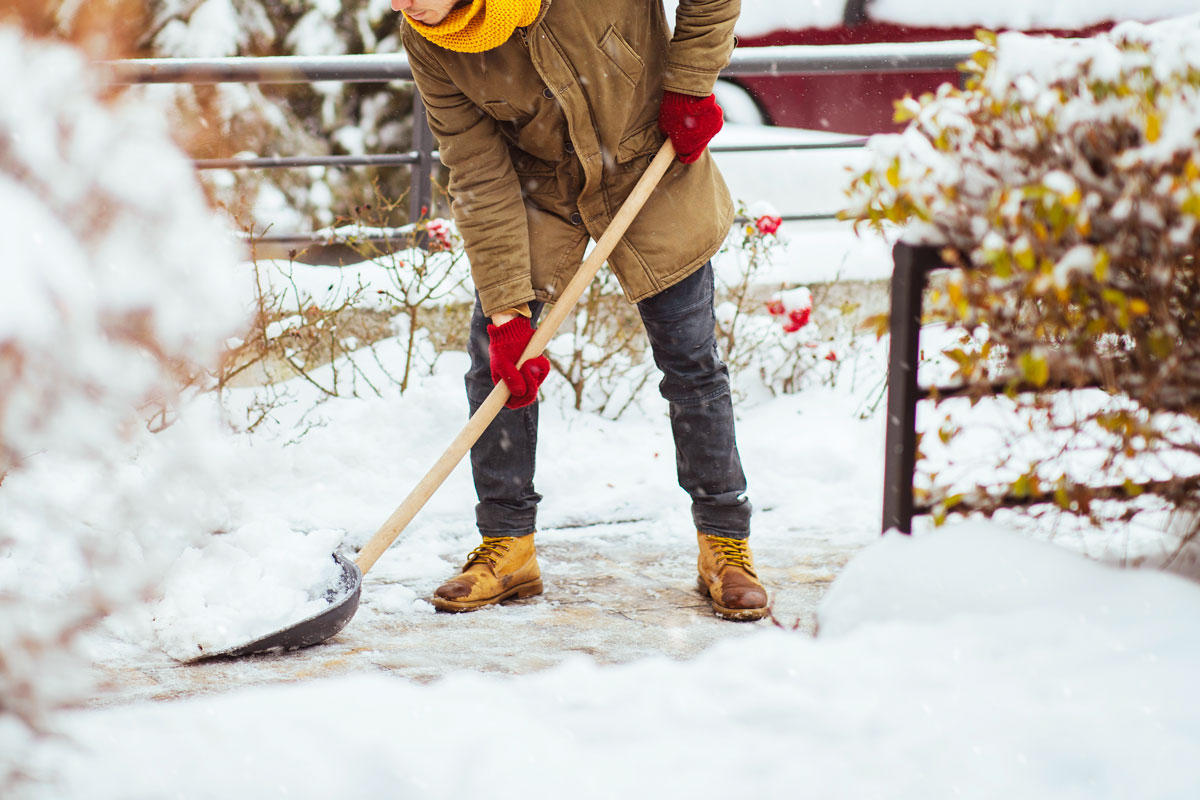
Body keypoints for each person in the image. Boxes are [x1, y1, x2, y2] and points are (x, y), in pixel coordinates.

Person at [394, 0, 767, 620]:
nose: (404, 5)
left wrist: (690, 84)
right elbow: (477, 173)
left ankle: (725, 544)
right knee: (496, 359)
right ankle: (508, 548)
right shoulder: (430, 40)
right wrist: (508, 309)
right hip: (539, 186)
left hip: (650, 159)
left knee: (690, 361)